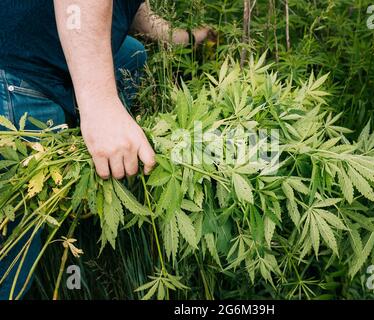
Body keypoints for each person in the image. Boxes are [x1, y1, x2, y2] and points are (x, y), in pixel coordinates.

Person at [0, 0, 214, 299]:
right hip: (17, 74)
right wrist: (100, 106)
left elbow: (139, 14)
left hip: (33, 54)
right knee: (13, 263)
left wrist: (186, 36)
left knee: (132, 52)